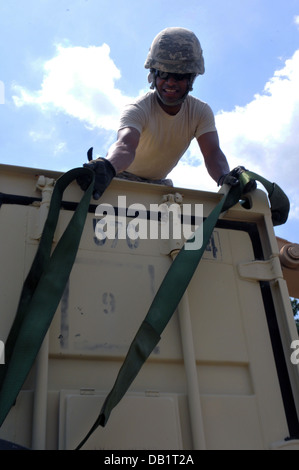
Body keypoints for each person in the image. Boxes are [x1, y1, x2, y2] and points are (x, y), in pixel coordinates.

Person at [77, 27, 255, 200]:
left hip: (159, 187)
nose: (170, 83)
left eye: (179, 76)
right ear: (153, 75)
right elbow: (125, 145)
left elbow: (212, 153)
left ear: (191, 78)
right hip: (118, 178)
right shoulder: (138, 108)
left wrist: (225, 179)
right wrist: (108, 167)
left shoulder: (200, 112)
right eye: (163, 73)